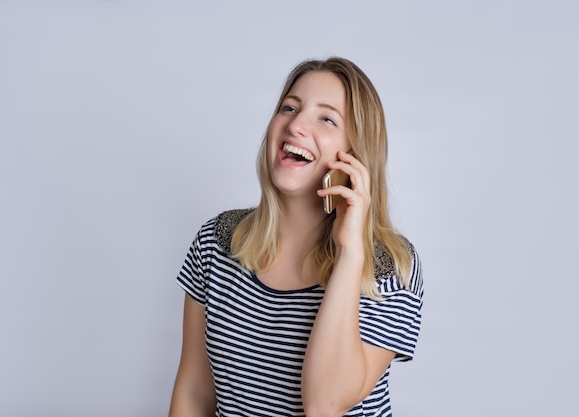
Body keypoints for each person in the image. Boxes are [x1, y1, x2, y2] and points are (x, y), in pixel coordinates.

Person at [169, 57, 423, 417]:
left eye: (327, 118)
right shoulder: (216, 241)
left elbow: (325, 405)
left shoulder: (388, 266)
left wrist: (350, 255)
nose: (297, 125)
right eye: (289, 107)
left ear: (355, 155)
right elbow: (194, 392)